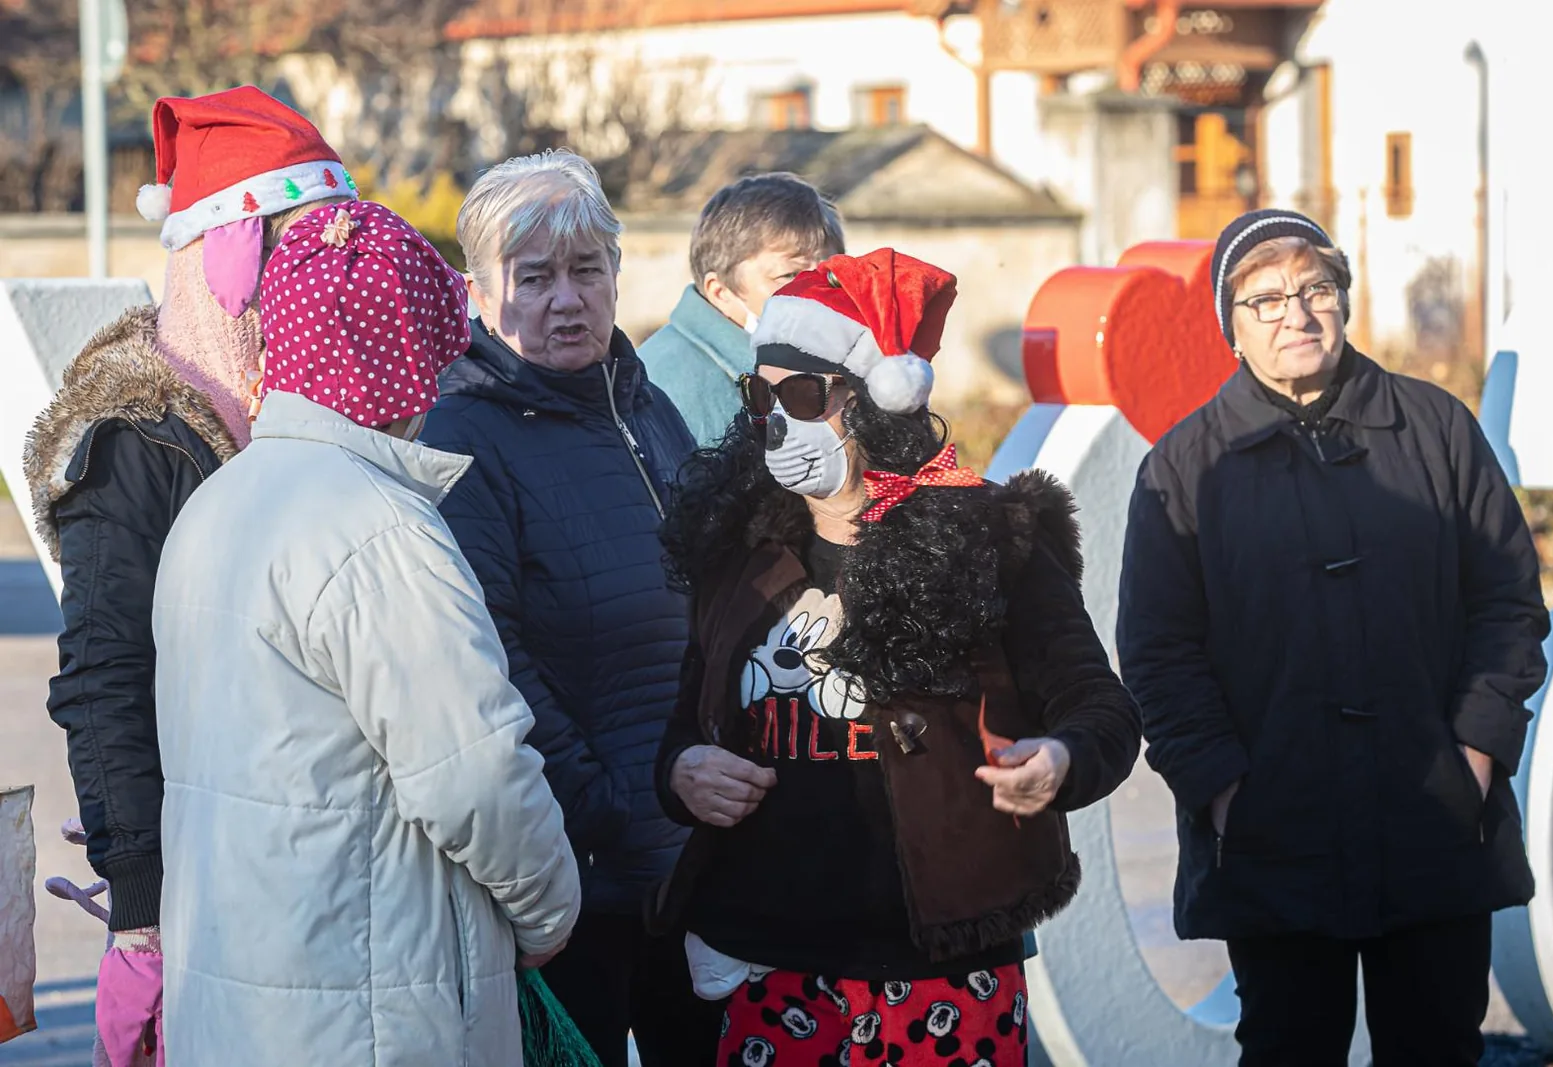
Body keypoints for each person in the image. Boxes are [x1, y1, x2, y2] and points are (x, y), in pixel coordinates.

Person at [652, 248, 1143, 1066]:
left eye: (802, 395)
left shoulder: (991, 537)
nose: (777, 418)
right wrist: (681, 774)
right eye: (761, 394)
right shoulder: (738, 549)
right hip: (771, 965)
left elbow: (1104, 710)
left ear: (875, 401)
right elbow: (681, 729)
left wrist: (1060, 759)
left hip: (944, 972)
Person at [151, 200, 581, 1067]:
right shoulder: (378, 527)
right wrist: (549, 912)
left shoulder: (219, 501)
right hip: (369, 1005)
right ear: (405, 362)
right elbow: (477, 774)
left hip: (242, 994)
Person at [1116, 209, 1550, 1067]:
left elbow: (1507, 598)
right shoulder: (1186, 465)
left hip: (1434, 811)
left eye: (1316, 287)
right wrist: (1223, 792)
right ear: (1229, 328)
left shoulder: (1435, 428)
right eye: (1265, 299)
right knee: (1289, 1047)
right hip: (1272, 825)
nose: (1297, 313)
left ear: (1343, 298)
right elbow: (1161, 653)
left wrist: (1475, 750)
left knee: (1436, 1047)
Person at [21, 85, 355, 1067]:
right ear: (232, 257)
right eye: (302, 247)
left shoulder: (295, 408)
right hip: (204, 891)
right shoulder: (137, 441)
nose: (322, 279)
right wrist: (140, 909)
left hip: (311, 875)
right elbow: (104, 680)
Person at [419, 150, 717, 1066]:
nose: (566, 299)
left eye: (586, 271)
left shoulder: (643, 403)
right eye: (534, 277)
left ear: (617, 276)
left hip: (687, 860)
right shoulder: (460, 430)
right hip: (575, 877)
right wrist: (612, 805)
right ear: (479, 289)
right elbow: (489, 659)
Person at [638, 172, 846, 446]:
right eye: (789, 276)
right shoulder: (660, 390)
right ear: (721, 292)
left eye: (830, 275)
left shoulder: (832, 361)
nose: (817, 292)